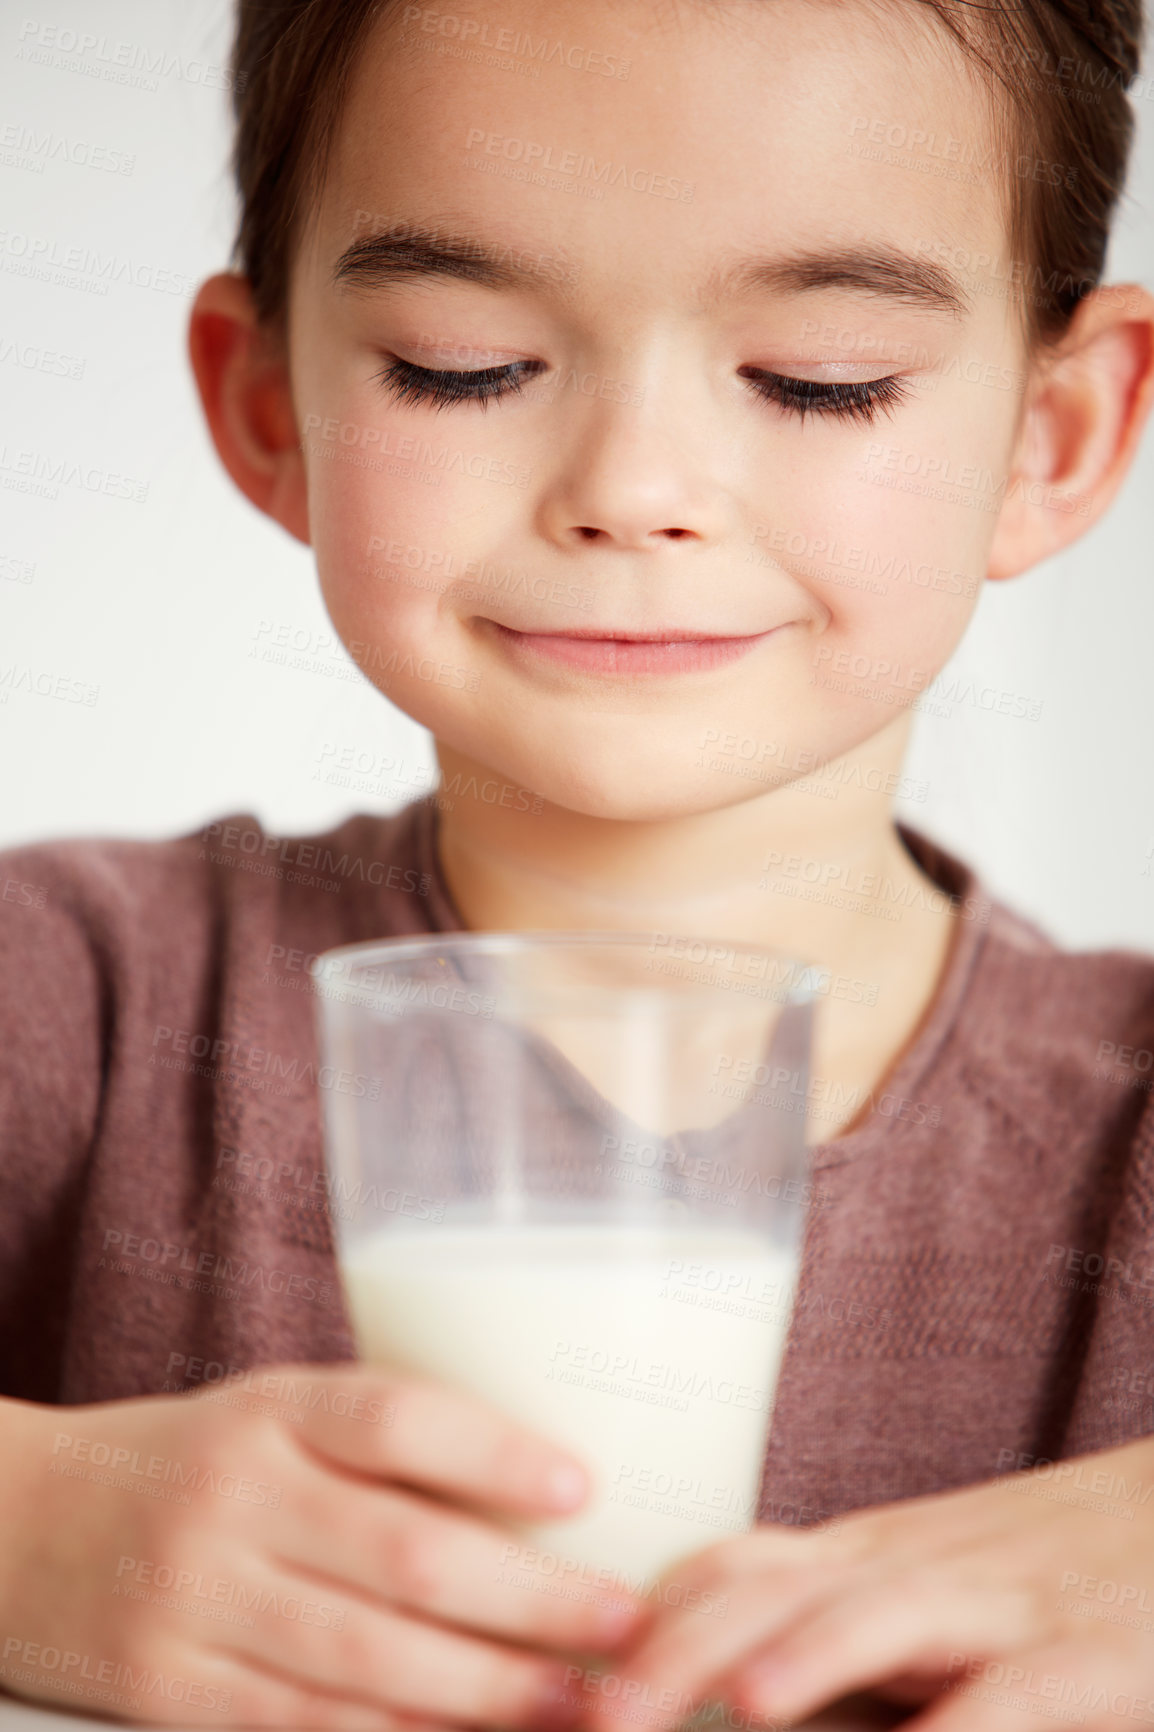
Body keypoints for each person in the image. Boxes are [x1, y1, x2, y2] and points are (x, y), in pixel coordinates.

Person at [2, 0, 1154, 1725]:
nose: (632, 490)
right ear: (267, 406)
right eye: (461, 360)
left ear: (1047, 441)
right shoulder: (77, 996)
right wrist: (30, 1529)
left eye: (818, 380)